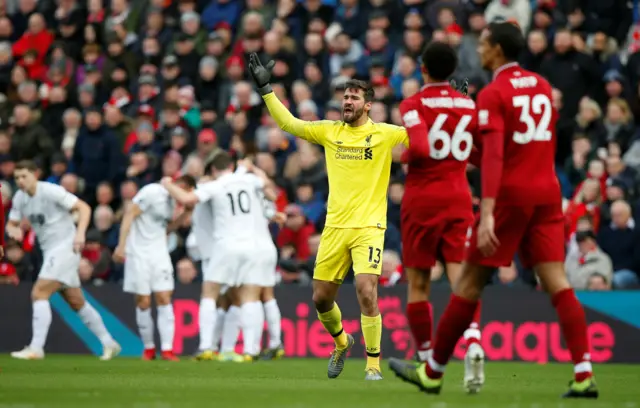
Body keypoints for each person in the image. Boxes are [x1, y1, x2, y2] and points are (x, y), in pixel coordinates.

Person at [389, 21, 598, 399]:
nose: (479, 49)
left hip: (506, 197)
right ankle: (584, 372)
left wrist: (486, 211)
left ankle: (432, 371)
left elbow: (495, 154)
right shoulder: (542, 86)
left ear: (498, 50)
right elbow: (534, 142)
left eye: (484, 44)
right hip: (547, 191)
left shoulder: (492, 93)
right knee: (557, 282)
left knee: (466, 284)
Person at [248, 52, 409, 380]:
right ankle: (342, 341)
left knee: (366, 289)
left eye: (354, 97)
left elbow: (426, 132)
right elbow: (289, 124)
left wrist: (453, 104)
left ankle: (373, 365)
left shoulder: (386, 134)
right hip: (334, 227)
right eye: (345, 96)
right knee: (321, 299)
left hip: (369, 226)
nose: (347, 100)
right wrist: (266, 89)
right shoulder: (328, 131)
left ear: (367, 105)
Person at [397, 41, 484, 391]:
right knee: (462, 280)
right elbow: (480, 153)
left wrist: (400, 157)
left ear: (423, 69)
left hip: (422, 200)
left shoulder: (412, 104)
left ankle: (426, 358)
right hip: (459, 198)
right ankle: (474, 342)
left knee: (419, 284)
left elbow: (418, 147)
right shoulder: (467, 104)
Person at [160, 152, 275, 361]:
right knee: (248, 296)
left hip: (226, 245)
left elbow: (187, 199)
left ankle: (206, 346)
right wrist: (251, 168)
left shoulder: (215, 186)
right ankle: (251, 350)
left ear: (213, 169)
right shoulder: (247, 180)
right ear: (231, 166)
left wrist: (167, 184)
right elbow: (268, 187)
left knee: (210, 293)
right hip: (251, 246)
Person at [9, 160, 120, 360]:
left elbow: (84, 208)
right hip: (49, 250)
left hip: (65, 247)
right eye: (17, 177)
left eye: (24, 176)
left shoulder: (51, 191)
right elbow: (12, 223)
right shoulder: (19, 197)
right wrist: (13, 229)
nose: (20, 181)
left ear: (36, 174)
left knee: (39, 292)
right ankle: (109, 343)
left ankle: (36, 348)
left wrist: (80, 234)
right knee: (76, 302)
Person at [113, 175, 197, 361]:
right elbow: (130, 214)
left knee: (164, 297)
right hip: (138, 253)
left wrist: (185, 214)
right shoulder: (152, 192)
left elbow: (165, 229)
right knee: (142, 300)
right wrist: (121, 245)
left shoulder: (171, 203)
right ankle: (149, 348)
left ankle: (167, 349)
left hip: (160, 253)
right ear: (182, 186)